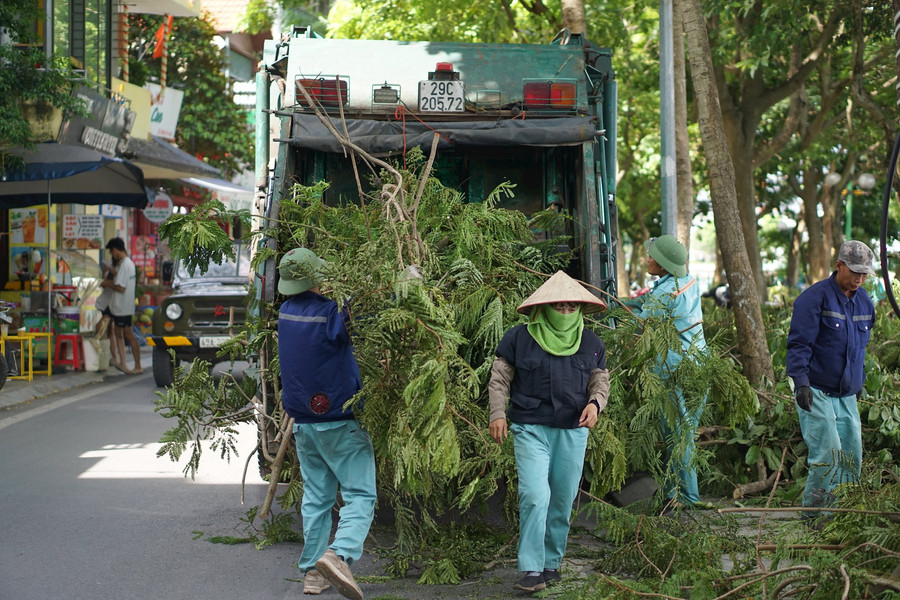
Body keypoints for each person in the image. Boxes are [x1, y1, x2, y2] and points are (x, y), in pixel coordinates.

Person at [488, 271, 609, 592]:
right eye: (559, 306)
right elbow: (500, 378)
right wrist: (497, 413)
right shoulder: (518, 338)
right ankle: (531, 569)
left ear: (580, 310)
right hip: (530, 428)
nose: (566, 312)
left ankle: (551, 562)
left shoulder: (592, 342)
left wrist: (595, 404)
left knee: (562, 499)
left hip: (573, 430)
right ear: (543, 308)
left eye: (571, 307)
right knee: (534, 495)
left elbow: (600, 380)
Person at [276, 247, 376, 600]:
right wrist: (401, 288)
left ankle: (312, 575)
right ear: (318, 278)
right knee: (360, 493)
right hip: (339, 421)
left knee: (317, 499)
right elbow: (360, 316)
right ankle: (340, 554)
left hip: (304, 423)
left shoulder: (286, 313)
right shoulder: (328, 315)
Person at [786, 240, 876, 520]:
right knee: (827, 456)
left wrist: (857, 383)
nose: (859, 279)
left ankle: (839, 518)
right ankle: (813, 517)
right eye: (854, 272)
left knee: (850, 458)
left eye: (864, 274)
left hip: (847, 393)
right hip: (816, 390)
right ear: (839, 266)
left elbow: (860, 347)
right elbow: (799, 345)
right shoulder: (814, 299)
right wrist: (800, 382)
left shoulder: (864, 302)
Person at [624, 235, 708, 510]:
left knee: (678, 437)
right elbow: (646, 301)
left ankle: (687, 500)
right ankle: (673, 496)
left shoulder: (664, 294)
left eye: (652, 256)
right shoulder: (688, 283)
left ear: (662, 265)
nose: (647, 258)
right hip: (698, 368)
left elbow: (641, 324)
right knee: (684, 434)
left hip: (673, 373)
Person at [99, 237, 141, 374]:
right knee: (119, 332)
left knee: (128, 334)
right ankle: (122, 362)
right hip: (122, 307)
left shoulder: (125, 265)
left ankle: (136, 365)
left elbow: (121, 287)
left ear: (116, 250)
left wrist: (106, 283)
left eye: (112, 252)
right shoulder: (127, 264)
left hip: (122, 307)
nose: (112, 255)